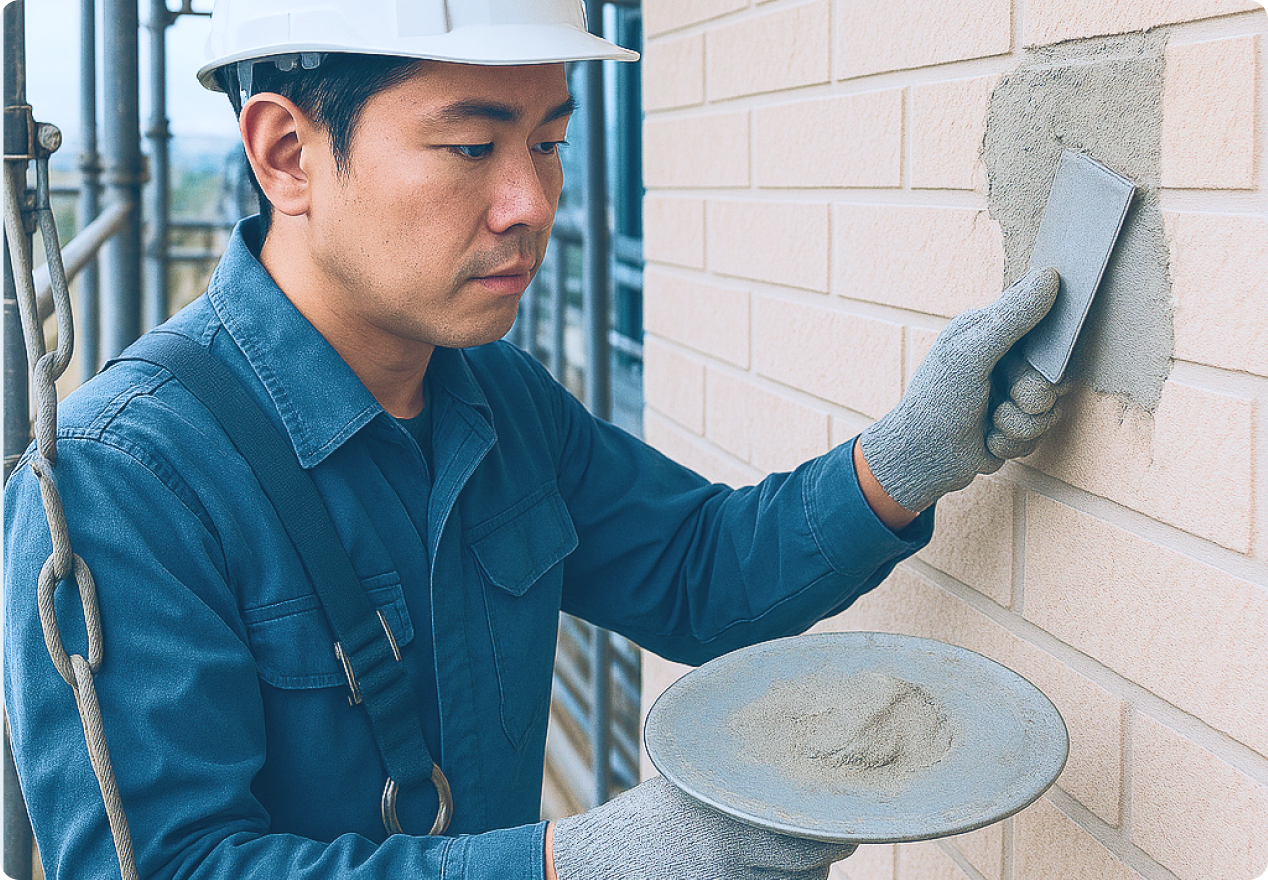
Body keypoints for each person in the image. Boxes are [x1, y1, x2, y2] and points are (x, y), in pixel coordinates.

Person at [1, 1, 1067, 878]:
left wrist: (910, 455)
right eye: (471, 146)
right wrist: (571, 862)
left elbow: (698, 572)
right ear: (287, 154)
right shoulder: (127, 475)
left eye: (549, 142)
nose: (530, 201)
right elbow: (166, 867)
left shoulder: (494, 401)